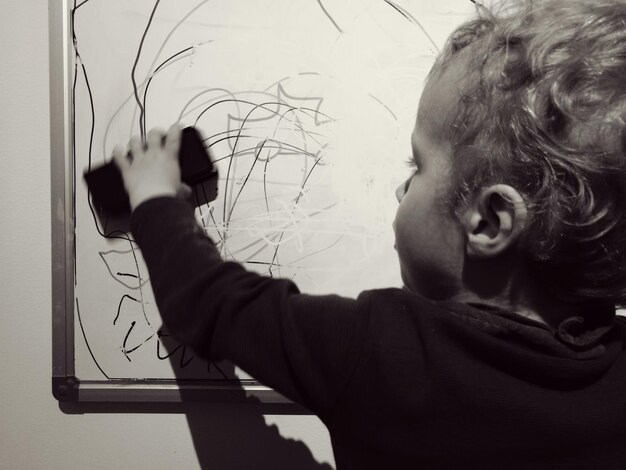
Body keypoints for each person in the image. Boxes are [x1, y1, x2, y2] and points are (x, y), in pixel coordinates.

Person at [113, 0, 626, 468]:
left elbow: (210, 303)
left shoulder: (377, 350)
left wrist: (155, 200)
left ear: (489, 222)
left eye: (418, 166)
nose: (401, 189)